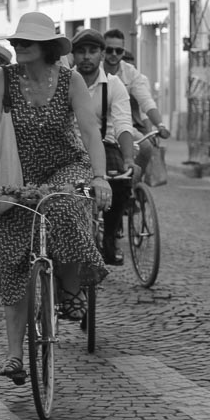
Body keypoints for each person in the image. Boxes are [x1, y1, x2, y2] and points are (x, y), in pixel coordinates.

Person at [0, 12, 111, 382]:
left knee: (65, 208)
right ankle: (14, 356)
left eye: (26, 44)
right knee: (13, 250)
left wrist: (100, 177)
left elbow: (90, 131)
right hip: (19, 174)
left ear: (47, 47)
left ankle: (68, 291)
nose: (18, 49)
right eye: (16, 43)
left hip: (68, 166)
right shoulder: (3, 77)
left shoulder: (71, 80)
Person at [71, 29, 136, 266]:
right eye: (81, 51)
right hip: (72, 148)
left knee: (120, 182)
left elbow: (123, 123)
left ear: (101, 55)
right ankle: (77, 231)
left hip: (105, 145)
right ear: (73, 55)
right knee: (73, 190)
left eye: (92, 51)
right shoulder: (63, 82)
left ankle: (110, 234)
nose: (86, 57)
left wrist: (128, 157)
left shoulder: (114, 84)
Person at [102, 29, 171, 170]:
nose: (114, 54)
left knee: (145, 147)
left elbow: (146, 101)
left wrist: (160, 125)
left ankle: (135, 181)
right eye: (109, 50)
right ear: (102, 51)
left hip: (123, 127)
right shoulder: (92, 71)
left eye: (119, 51)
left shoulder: (131, 73)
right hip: (95, 128)